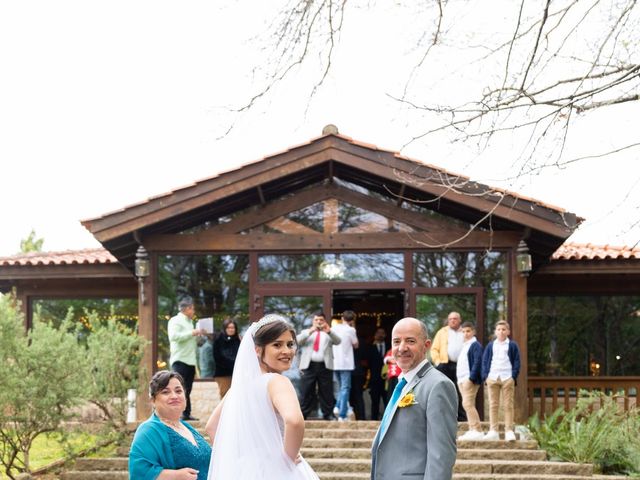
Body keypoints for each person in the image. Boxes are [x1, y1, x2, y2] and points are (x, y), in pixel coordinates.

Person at [205, 314, 319, 479]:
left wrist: (236, 460)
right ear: (257, 350)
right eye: (277, 345)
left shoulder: (239, 388)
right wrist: (288, 458)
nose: (287, 351)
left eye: (290, 344)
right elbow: (294, 421)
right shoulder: (277, 382)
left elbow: (212, 427)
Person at [371, 317, 457, 480]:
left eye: (410, 341)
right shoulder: (402, 383)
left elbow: (441, 455)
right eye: (396, 341)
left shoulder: (438, 385)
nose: (402, 348)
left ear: (426, 346)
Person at [129, 370, 212, 480]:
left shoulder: (188, 428)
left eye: (178, 391)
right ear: (153, 400)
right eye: (165, 392)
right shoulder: (149, 430)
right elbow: (139, 472)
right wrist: (176, 476)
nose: (174, 396)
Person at [296, 311, 342, 420]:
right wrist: (311, 331)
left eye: (321, 320)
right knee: (306, 391)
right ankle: (303, 414)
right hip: (309, 366)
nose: (318, 322)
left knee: (326, 391)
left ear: (324, 321)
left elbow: (338, 341)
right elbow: (297, 341)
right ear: (313, 321)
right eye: (316, 320)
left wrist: (329, 331)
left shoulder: (329, 333)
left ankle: (328, 414)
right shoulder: (307, 331)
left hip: (325, 366)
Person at [481, 320, 521, 442]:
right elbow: (485, 361)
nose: (501, 331)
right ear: (495, 332)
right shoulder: (491, 345)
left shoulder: (512, 345)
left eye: (504, 329)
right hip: (493, 377)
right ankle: (493, 430)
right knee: (493, 405)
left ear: (508, 332)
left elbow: (517, 362)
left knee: (508, 405)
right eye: (498, 329)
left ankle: (509, 430)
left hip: (507, 378)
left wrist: (513, 377)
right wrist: (485, 376)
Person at [168, 296, 205, 421]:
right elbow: (174, 337)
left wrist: (198, 335)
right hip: (180, 360)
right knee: (179, 388)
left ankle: (186, 414)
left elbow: (191, 341)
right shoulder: (175, 320)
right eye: (192, 309)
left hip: (191, 361)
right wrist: (192, 333)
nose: (194, 312)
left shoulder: (190, 323)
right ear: (187, 309)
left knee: (187, 389)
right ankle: (178, 414)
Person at [430, 311, 468, 421]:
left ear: (460, 320)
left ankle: (461, 417)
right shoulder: (442, 332)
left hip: (461, 366)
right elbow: (434, 349)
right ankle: (442, 416)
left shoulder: (464, 332)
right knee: (443, 390)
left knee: (460, 391)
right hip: (445, 365)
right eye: (450, 319)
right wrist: (438, 362)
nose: (452, 320)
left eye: (455, 318)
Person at [456, 321, 484, 441]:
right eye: (463, 331)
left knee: (467, 403)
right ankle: (472, 429)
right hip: (461, 379)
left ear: (473, 332)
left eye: (468, 331)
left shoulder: (475, 345)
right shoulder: (465, 345)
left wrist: (471, 378)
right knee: (467, 404)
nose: (466, 334)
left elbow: (478, 362)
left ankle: (477, 430)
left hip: (469, 379)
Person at [331, 310, 359, 421]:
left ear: (342, 318)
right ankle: (342, 414)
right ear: (352, 320)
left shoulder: (334, 328)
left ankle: (337, 407)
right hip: (346, 363)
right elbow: (356, 344)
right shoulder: (351, 330)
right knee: (345, 388)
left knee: (341, 388)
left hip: (335, 363)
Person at [213, 318, 241, 399]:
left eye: (233, 328)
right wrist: (231, 364)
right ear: (225, 328)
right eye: (229, 328)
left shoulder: (238, 340)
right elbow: (217, 358)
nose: (231, 330)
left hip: (236, 373)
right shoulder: (219, 340)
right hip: (223, 374)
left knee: (236, 396)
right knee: (225, 396)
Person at [365, 327, 388, 420]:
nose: (380, 335)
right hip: (374, 379)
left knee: (388, 400)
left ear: (385, 335)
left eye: (382, 333)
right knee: (375, 401)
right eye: (378, 333)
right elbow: (367, 363)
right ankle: (374, 420)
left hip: (387, 379)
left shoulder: (390, 347)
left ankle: (388, 420)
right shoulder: (370, 348)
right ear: (375, 335)